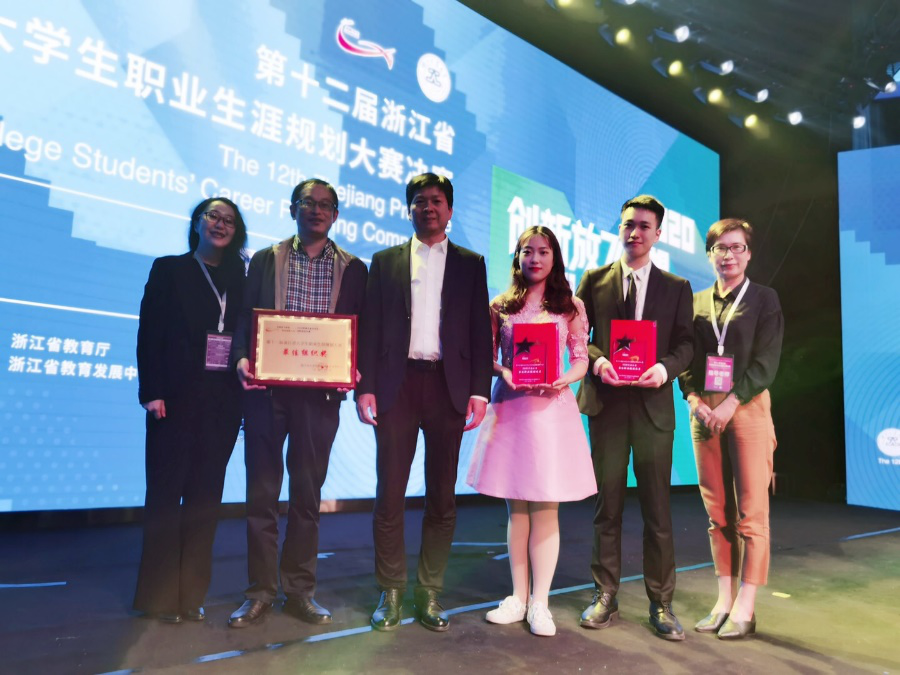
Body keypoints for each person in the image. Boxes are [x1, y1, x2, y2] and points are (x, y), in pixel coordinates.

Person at [356, 173, 493, 633]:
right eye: (419, 201)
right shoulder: (385, 261)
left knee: (442, 496)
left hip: (447, 388)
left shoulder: (471, 263)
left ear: (450, 210)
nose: (428, 207)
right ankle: (391, 590)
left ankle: (429, 590)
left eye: (436, 201)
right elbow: (370, 327)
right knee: (389, 494)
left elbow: (479, 332)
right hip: (396, 387)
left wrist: (479, 391)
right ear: (408, 208)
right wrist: (365, 386)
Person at [228, 179, 367, 628]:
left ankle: (299, 591)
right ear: (293, 209)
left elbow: (362, 329)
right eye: (308, 202)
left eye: (326, 205)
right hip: (267, 393)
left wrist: (357, 368)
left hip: (320, 397)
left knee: (307, 496)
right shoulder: (265, 259)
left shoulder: (354, 268)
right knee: (262, 494)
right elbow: (244, 317)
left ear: (336, 215)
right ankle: (260, 592)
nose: (317, 210)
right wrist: (242, 357)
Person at [466, 226, 597, 637]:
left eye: (543, 251)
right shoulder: (501, 305)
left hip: (551, 412)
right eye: (527, 251)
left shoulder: (570, 306)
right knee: (517, 509)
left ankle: (541, 602)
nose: (535, 258)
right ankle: (517, 597)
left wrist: (564, 379)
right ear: (517, 257)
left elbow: (581, 358)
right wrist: (504, 371)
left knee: (545, 508)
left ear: (554, 257)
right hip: (512, 409)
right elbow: (486, 356)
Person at [575, 195, 694, 640]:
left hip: (652, 409)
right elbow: (577, 337)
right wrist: (598, 360)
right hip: (606, 406)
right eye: (628, 224)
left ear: (658, 234)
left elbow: (686, 344)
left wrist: (664, 369)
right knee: (607, 508)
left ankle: (661, 603)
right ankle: (605, 594)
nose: (635, 232)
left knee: (657, 511)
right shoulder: (594, 280)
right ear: (619, 228)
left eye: (644, 226)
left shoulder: (676, 287)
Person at [134, 197, 248, 623]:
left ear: (237, 231)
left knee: (205, 499)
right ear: (197, 223)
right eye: (212, 216)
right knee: (165, 497)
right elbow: (149, 333)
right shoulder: (169, 269)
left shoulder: (241, 279)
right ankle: (159, 597)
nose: (220, 224)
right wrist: (152, 391)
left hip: (222, 402)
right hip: (173, 399)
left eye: (229, 220)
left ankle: (191, 595)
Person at [678, 219, 782, 640]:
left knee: (751, 513)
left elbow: (767, 362)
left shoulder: (764, 299)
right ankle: (723, 600)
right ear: (709, 254)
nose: (729, 255)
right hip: (704, 410)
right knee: (716, 513)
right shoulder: (695, 302)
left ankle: (747, 607)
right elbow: (685, 356)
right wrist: (693, 399)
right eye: (720, 248)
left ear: (749, 254)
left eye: (737, 247)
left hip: (747, 407)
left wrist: (732, 402)